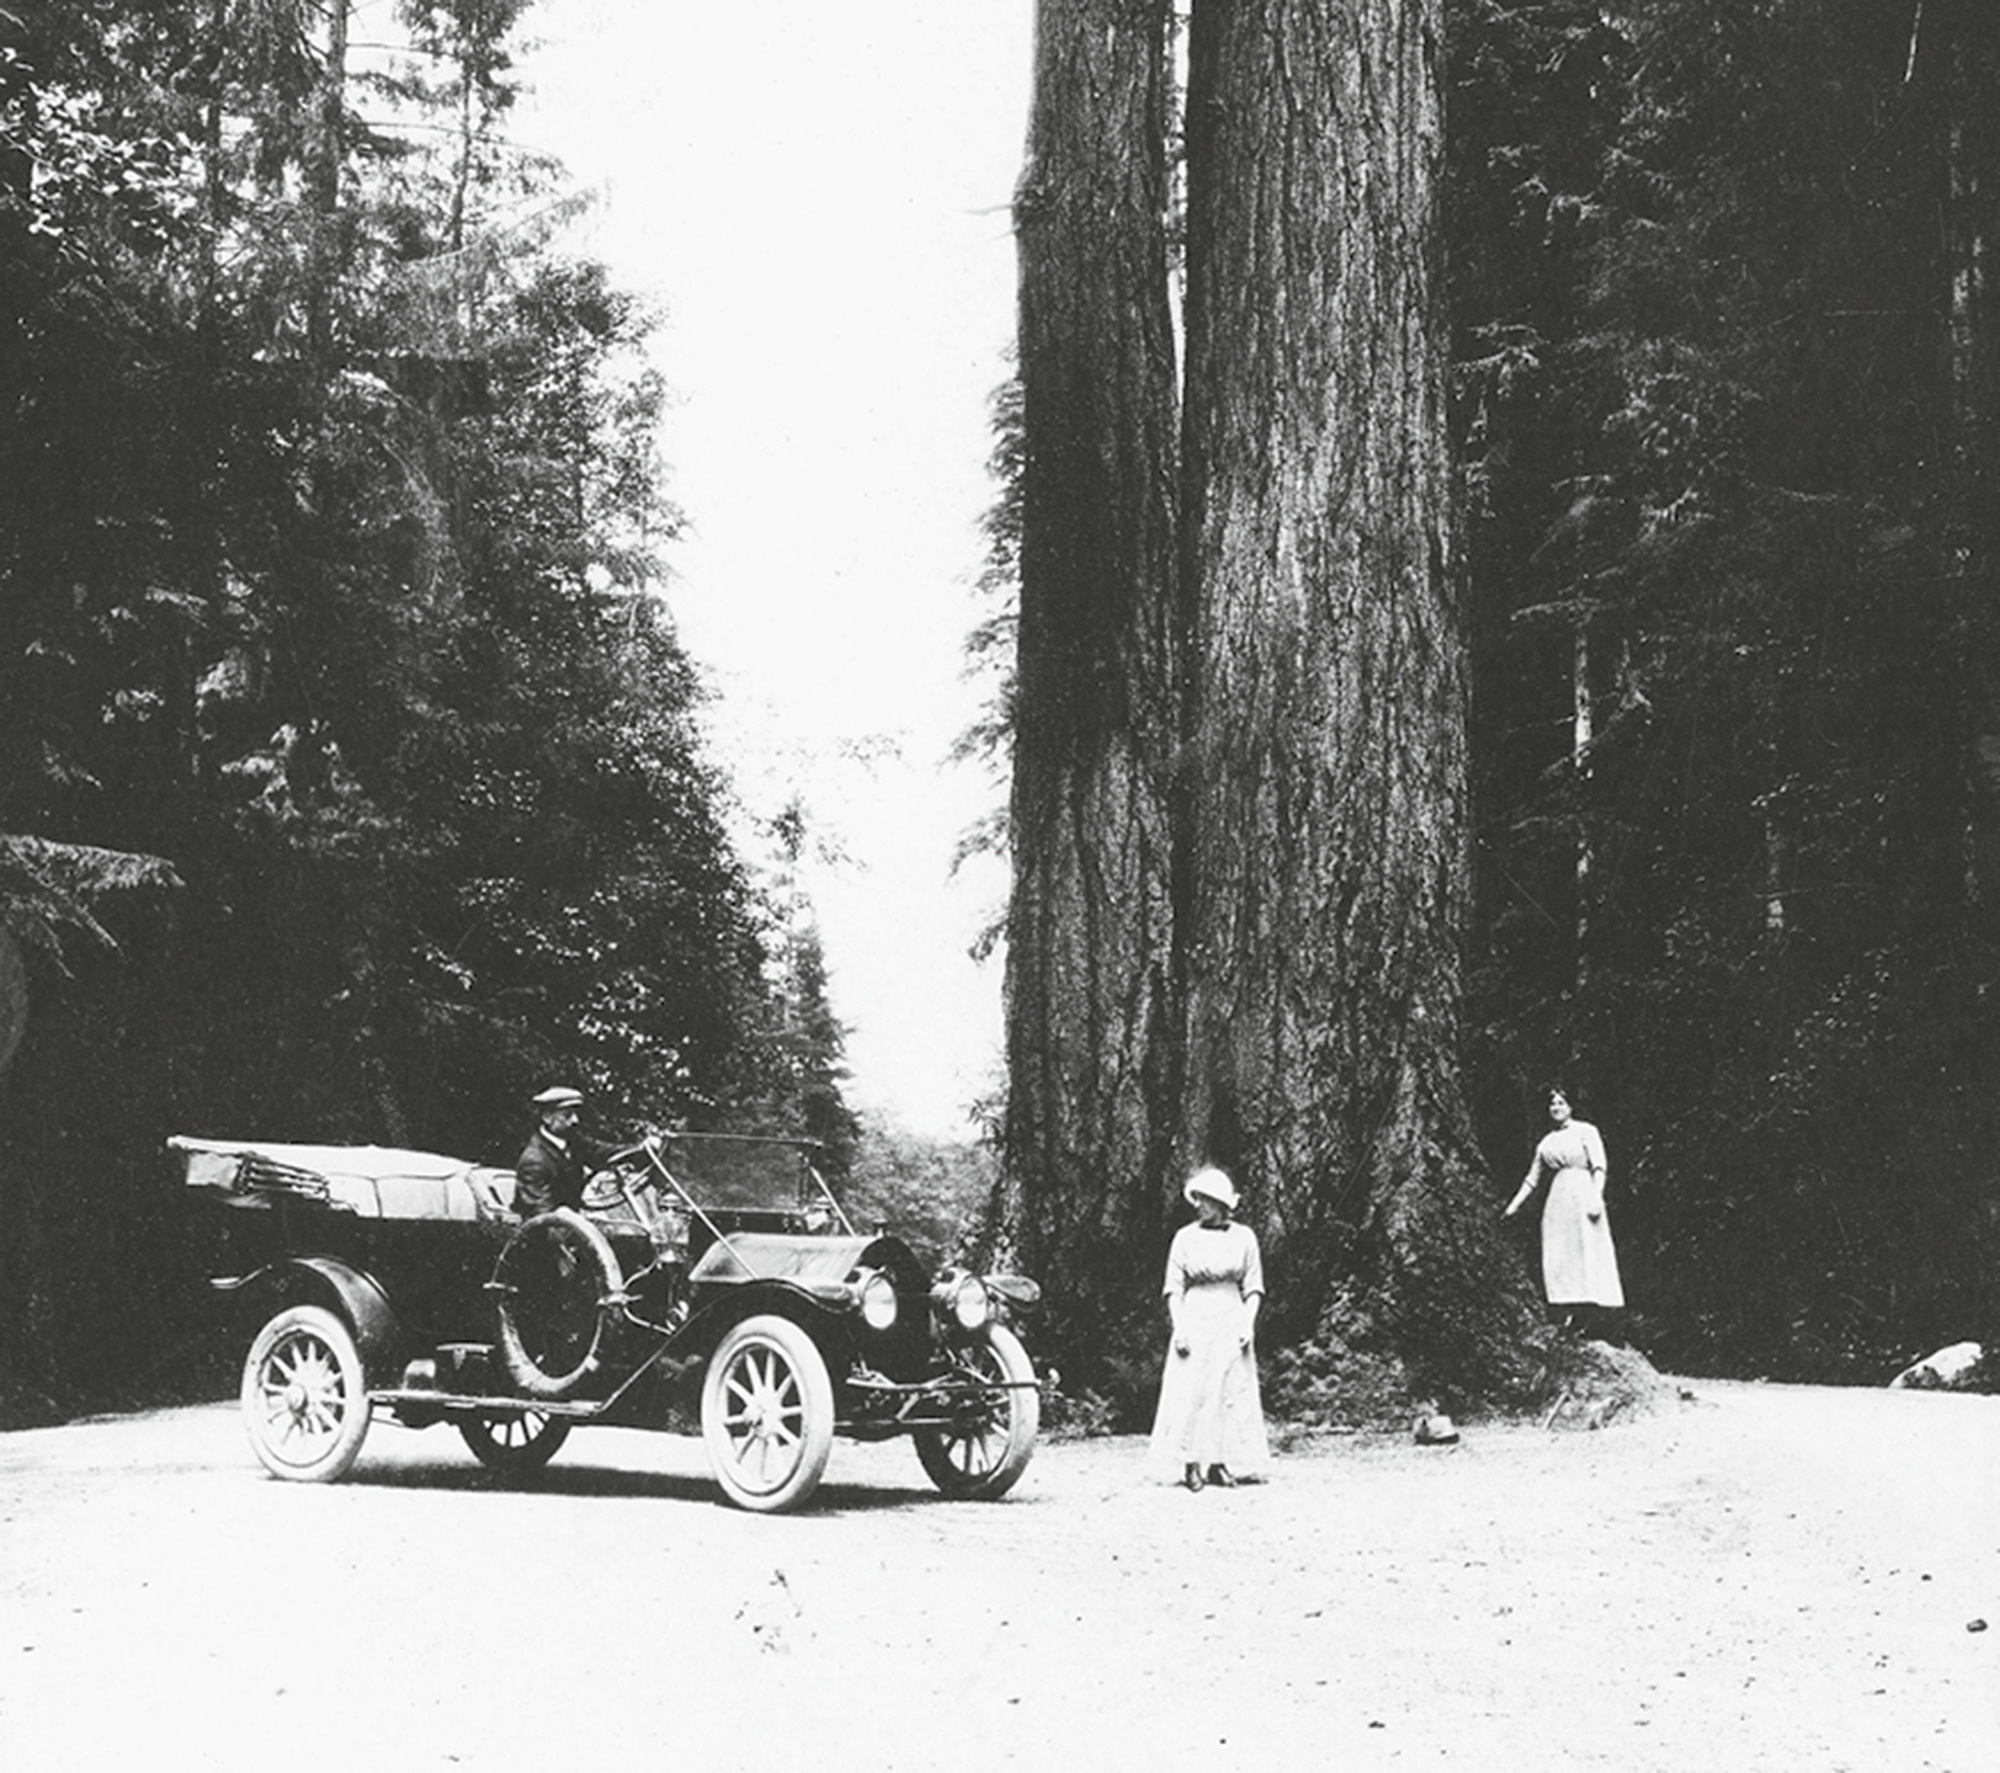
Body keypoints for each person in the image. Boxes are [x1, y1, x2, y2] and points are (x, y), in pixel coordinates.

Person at [1148, 1166, 1270, 1491]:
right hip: (1196, 1313)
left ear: (1221, 1204)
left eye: (1205, 1200)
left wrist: (1248, 1323)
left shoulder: (1244, 1237)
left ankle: (1220, 1463)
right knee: (1193, 1389)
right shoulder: (1185, 1238)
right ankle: (1191, 1464)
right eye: (1197, 1199)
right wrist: (1180, 1327)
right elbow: (1173, 1287)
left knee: (1227, 1389)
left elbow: (1253, 1286)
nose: (1199, 1205)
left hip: (1231, 1314)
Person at [1504, 1086, 1625, 1333]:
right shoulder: (1547, 1142)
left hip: (1583, 1195)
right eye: (1553, 1104)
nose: (1556, 1107)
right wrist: (1513, 1206)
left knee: (1588, 1251)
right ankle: (1570, 1314)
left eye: (1561, 1103)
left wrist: (1595, 1196)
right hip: (1558, 1202)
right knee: (1561, 1254)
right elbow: (1532, 1178)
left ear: (1570, 1107)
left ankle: (1598, 1318)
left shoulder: (1586, 1131)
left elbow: (1599, 1166)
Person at [513, 1085, 621, 1217]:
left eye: (576, 1114)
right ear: (547, 1117)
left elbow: (604, 1152)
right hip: (548, 1230)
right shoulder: (534, 1161)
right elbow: (543, 1216)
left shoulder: (574, 1142)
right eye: (567, 1115)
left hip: (573, 1222)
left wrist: (643, 1148)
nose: (575, 1120)